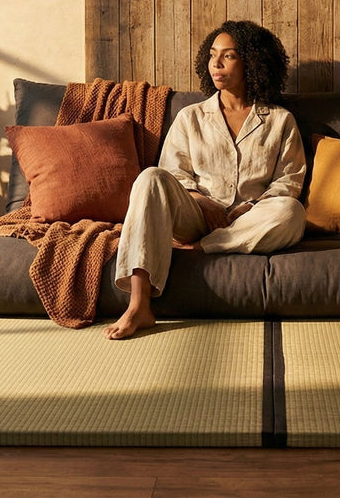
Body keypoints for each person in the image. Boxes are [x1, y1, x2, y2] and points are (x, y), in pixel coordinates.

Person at [104, 20, 307, 339]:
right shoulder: (190, 117)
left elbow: (288, 181)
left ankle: (198, 249)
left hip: (250, 220)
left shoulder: (280, 121)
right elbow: (173, 173)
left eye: (228, 56)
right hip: (194, 214)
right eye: (213, 54)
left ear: (252, 63)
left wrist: (250, 207)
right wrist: (200, 200)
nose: (217, 63)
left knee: (291, 213)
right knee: (150, 177)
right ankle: (139, 305)